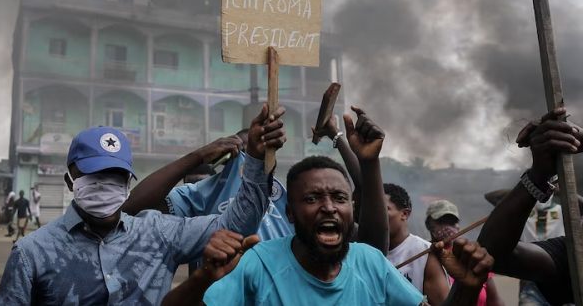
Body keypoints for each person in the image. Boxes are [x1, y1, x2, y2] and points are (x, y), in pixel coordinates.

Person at [0, 103, 286, 305]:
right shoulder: (32, 253)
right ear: (70, 181)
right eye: (94, 175)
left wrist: (257, 160)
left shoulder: (159, 233)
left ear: (128, 183)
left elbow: (237, 224)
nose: (104, 184)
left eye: (115, 176)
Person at [163, 155, 494, 305]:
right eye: (312, 198)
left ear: (352, 209)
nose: (329, 207)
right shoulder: (257, 263)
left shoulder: (371, 264)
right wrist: (204, 278)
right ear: (290, 213)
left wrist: (465, 288)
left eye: (339, 197)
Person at [123, 107, 390, 254]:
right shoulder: (200, 193)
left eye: (263, 145)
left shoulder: (293, 196)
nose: (254, 154)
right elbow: (130, 208)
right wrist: (196, 156)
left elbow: (366, 217)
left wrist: (353, 150)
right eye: (249, 147)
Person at [478, 107, 583, 305]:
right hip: (537, 282)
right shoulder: (573, 251)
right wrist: (537, 176)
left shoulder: (564, 209)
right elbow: (492, 255)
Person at [425, 199, 505, 306]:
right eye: (442, 221)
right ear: (429, 225)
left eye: (452, 222)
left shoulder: (471, 253)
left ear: (458, 226)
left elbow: (494, 300)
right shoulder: (424, 257)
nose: (448, 227)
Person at [384, 183, 449, 304]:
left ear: (404, 214)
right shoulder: (362, 251)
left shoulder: (424, 253)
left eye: (383, 209)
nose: (376, 216)